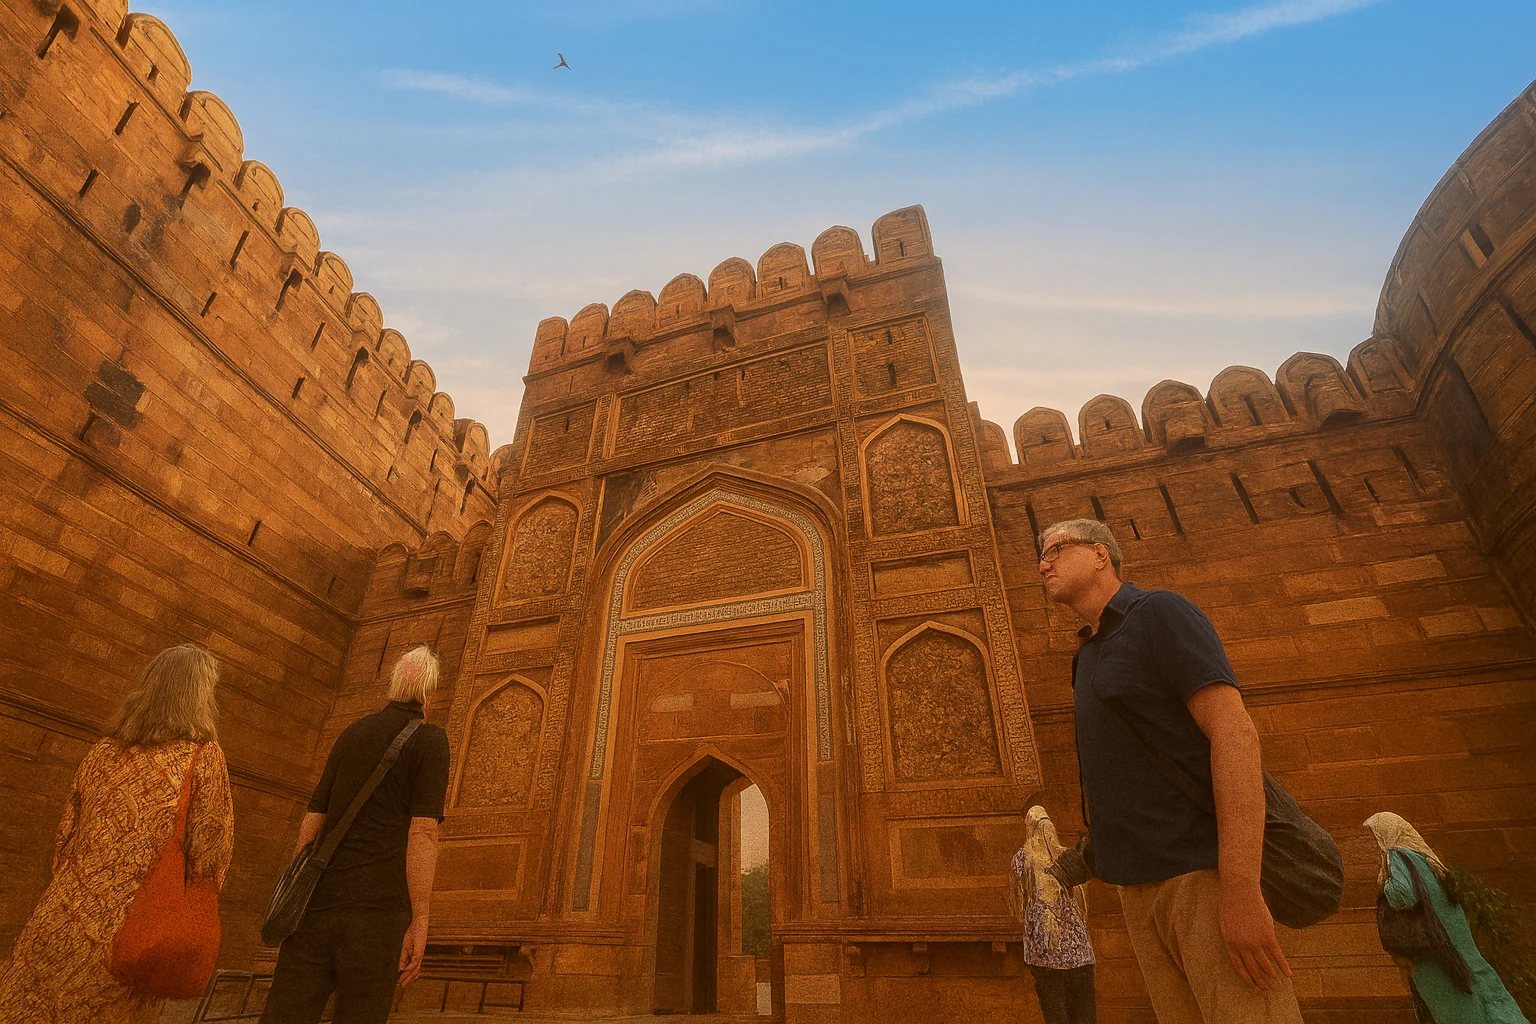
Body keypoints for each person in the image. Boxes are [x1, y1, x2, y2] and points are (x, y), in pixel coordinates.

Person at [1038, 517, 1300, 1024]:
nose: (1043, 564)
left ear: (1099, 554)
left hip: (1198, 875)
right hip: (1137, 887)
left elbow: (1234, 733)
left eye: (1055, 550)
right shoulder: (1088, 655)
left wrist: (1241, 889)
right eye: (1040, 555)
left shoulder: (1158, 613)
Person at [0, 644, 235, 1024]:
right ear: (198, 694)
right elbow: (210, 850)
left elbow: (65, 837)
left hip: (57, 921)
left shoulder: (102, 752)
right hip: (127, 937)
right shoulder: (203, 756)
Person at [261, 645, 451, 1024]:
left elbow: (314, 817)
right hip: (377, 916)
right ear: (430, 692)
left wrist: (297, 885)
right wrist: (421, 919)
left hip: (318, 905)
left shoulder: (352, 733)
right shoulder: (431, 742)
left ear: (394, 684)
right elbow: (424, 833)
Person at [1366, 812, 1528, 1024]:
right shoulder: (1425, 858)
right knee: (1481, 987)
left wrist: (1385, 884)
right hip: (1454, 940)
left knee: (1455, 1001)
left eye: (1374, 835)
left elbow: (1403, 896)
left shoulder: (1398, 856)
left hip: (1434, 949)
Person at [1009, 805, 1097, 1024]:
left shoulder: (1021, 859)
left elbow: (1018, 903)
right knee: (1084, 1015)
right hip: (1080, 955)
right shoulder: (1068, 856)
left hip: (1045, 957)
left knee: (1057, 1015)